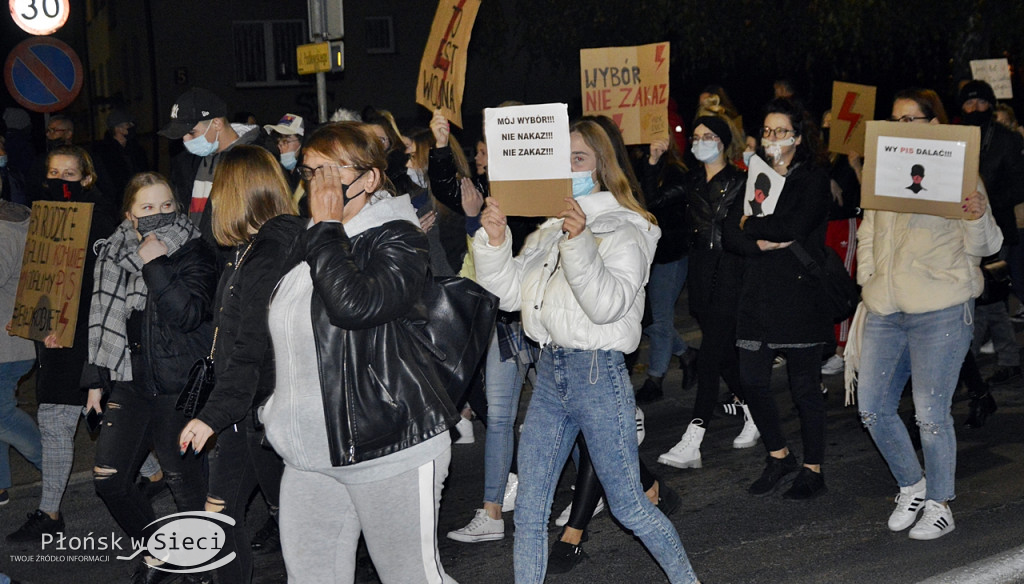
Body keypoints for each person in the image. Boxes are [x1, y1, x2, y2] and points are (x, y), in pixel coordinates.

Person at [473, 119, 700, 583]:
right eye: (562, 158)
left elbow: (607, 305)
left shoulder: (628, 227)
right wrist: (495, 243)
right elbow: (513, 295)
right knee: (532, 511)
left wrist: (579, 244)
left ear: (602, 167)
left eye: (578, 158)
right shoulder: (550, 228)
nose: (568, 167)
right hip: (550, 375)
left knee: (630, 506)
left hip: (597, 374)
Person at [260, 121, 460, 583]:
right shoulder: (307, 236)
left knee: (411, 577)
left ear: (369, 179)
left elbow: (355, 306)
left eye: (331, 172)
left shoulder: (397, 238)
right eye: (311, 173)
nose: (318, 186)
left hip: (387, 445)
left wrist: (328, 227)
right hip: (309, 454)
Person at [854, 88, 1002, 540]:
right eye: (894, 121)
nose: (900, 129)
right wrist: (869, 279)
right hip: (885, 307)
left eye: (910, 120)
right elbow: (868, 233)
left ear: (933, 125)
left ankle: (940, 502)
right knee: (873, 408)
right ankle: (911, 485)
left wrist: (976, 215)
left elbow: (986, 246)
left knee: (930, 414)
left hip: (940, 307)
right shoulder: (883, 175)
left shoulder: (960, 175)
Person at [178, 146, 300, 583]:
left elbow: (252, 348)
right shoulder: (250, 250)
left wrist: (212, 416)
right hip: (245, 413)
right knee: (220, 516)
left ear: (235, 193)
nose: (212, 202)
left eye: (217, 190)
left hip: (268, 413)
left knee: (302, 525)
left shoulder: (270, 254)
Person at [87, 171, 216, 582]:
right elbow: (101, 317)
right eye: (147, 208)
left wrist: (156, 262)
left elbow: (189, 315)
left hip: (178, 384)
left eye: (166, 206)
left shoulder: (195, 249)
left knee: (184, 483)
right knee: (109, 479)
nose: (159, 214)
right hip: (130, 380)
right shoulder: (113, 251)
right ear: (130, 214)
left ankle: (201, 564)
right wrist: (95, 377)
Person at [6, 146, 119, 543]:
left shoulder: (103, 221)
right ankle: (152, 472)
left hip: (89, 337)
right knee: (99, 415)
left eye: (69, 175)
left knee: (60, 421)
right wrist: (37, 323)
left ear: (86, 178)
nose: (60, 182)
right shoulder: (43, 216)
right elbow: (42, 279)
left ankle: (50, 512)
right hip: (56, 341)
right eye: (54, 173)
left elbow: (101, 288)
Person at [722, 98, 832, 500]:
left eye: (781, 131)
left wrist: (750, 222)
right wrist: (758, 243)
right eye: (767, 131)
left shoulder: (813, 178)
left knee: (805, 388)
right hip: (756, 296)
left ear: (799, 137)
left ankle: (813, 468)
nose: (772, 139)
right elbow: (728, 233)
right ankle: (779, 455)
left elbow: (794, 225)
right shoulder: (756, 175)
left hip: (798, 295)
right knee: (751, 381)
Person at [658, 112, 755, 469]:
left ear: (723, 141)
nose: (701, 141)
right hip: (700, 273)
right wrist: (654, 160)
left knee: (710, 355)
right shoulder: (691, 181)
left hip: (731, 273)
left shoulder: (742, 181)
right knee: (724, 354)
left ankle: (694, 437)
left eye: (708, 136)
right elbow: (653, 201)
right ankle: (755, 411)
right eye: (696, 136)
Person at [159, 87, 264, 247]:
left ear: (216, 123)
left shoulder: (257, 160)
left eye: (192, 133)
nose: (186, 141)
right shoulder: (187, 162)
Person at [633, 134, 693, 403]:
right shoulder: (639, 166)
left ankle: (655, 378)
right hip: (646, 254)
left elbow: (650, 203)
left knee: (659, 319)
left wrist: (653, 162)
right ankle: (687, 354)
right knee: (647, 319)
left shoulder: (677, 172)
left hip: (671, 253)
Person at [0, 198, 41, 507]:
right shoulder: (17, 221)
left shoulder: (4, 231)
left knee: (2, 415)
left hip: (8, 346)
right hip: (14, 342)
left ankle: (53, 467)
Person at [91, 109, 150, 209]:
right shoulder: (102, 152)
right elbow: (104, 181)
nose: (132, 126)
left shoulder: (136, 149)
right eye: (128, 124)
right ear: (118, 128)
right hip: (115, 204)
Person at [263, 113, 305, 192]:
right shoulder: (279, 173)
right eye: (278, 142)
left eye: (286, 142)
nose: (281, 147)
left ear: (301, 142)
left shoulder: (309, 175)